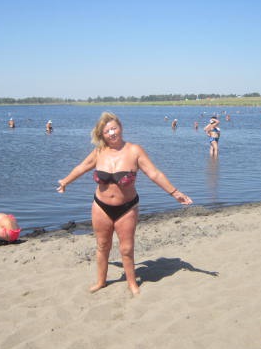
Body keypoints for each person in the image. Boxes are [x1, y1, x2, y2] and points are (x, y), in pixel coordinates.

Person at [56, 111, 193, 296]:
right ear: (102, 134)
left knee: (127, 249)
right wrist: (65, 181)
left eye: (114, 128)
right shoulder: (99, 151)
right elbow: (82, 167)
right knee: (102, 245)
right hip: (101, 206)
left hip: (127, 208)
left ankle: (132, 283)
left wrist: (175, 192)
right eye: (107, 131)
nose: (111, 133)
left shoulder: (134, 151)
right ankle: (101, 281)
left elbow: (154, 173)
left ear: (120, 127)